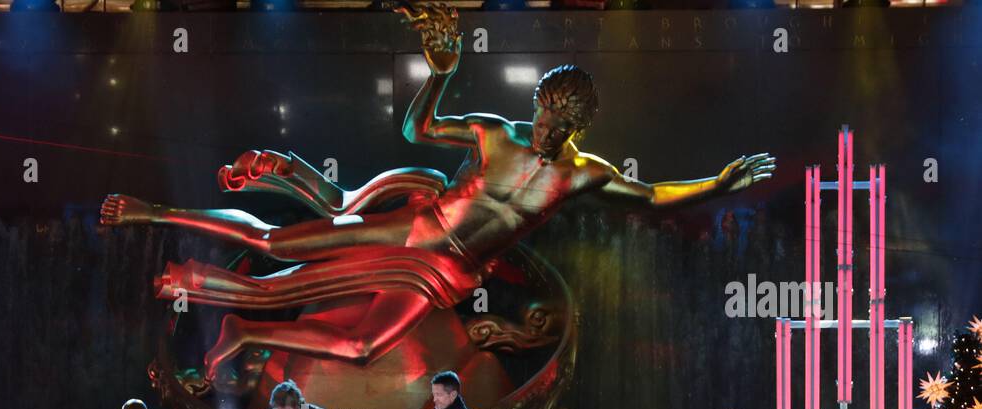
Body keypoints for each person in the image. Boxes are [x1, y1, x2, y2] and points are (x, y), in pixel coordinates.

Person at [100, 5, 773, 382]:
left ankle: (245, 328)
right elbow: (416, 126)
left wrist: (718, 182)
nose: (543, 129)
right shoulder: (496, 134)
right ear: (535, 105)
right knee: (276, 244)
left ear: (578, 127)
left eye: (557, 125)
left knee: (365, 347)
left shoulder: (582, 174)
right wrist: (439, 75)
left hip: (446, 273)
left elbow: (651, 196)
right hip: (415, 229)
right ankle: (152, 212)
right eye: (541, 114)